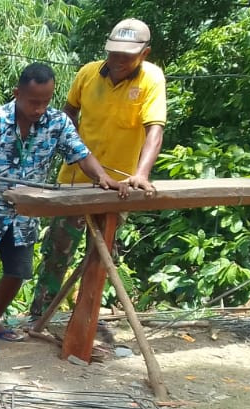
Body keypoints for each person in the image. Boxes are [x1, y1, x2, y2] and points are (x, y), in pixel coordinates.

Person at [0, 63, 123, 358]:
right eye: (33, 101)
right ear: (17, 93)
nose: (39, 109)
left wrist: (102, 177)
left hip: (26, 211)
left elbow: (80, 153)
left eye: (45, 101)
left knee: (19, 271)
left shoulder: (57, 122)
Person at [28, 18, 167, 321]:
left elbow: (155, 129)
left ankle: (85, 322)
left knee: (101, 258)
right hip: (75, 180)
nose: (118, 61)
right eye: (114, 54)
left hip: (118, 187)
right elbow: (68, 113)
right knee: (57, 252)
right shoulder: (87, 74)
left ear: (144, 53)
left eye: (126, 56)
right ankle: (39, 316)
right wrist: (73, 147)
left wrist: (141, 174)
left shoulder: (151, 80)